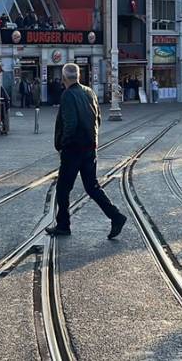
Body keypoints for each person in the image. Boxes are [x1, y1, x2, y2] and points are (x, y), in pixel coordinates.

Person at [45, 63, 127, 239]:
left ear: (64, 78)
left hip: (73, 149)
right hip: (90, 148)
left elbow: (70, 124)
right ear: (79, 76)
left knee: (63, 189)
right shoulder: (89, 92)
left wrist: (63, 145)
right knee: (92, 187)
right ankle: (116, 216)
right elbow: (98, 118)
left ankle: (63, 225)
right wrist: (93, 140)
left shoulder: (67, 95)